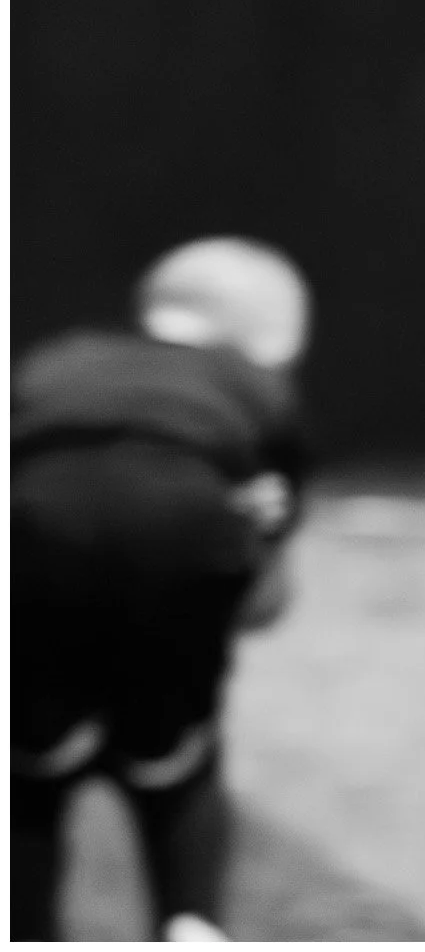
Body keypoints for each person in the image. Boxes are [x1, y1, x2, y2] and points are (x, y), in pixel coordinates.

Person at [13, 237, 312, 943]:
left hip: (33, 527)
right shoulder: (258, 389)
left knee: (28, 770)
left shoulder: (57, 359)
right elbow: (266, 602)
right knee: (176, 763)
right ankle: (191, 918)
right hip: (188, 523)